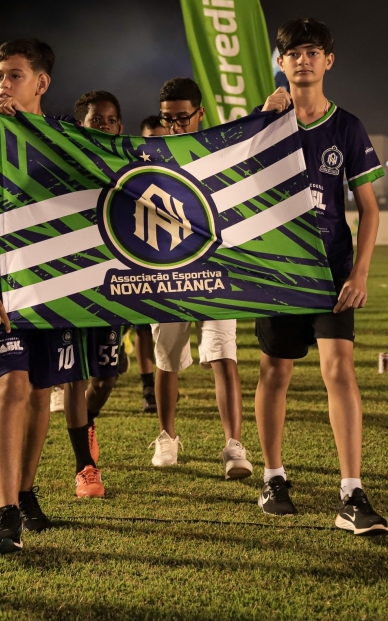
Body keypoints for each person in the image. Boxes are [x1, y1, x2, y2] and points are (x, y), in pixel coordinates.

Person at [0, 39, 86, 554]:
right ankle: (5, 512)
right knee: (13, 385)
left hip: (59, 286)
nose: (4, 84)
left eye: (15, 75)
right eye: (0, 75)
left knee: (43, 391)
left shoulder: (66, 138)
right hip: (9, 287)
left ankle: (26, 494)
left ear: (42, 83)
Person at [253, 18, 388, 535]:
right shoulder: (265, 123)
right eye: (294, 53)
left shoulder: (347, 127)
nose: (303, 60)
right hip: (277, 272)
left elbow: (369, 208)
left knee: (340, 370)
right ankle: (273, 478)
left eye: (313, 52)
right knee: (275, 373)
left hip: (330, 272)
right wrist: (262, 123)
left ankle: (352, 493)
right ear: (280, 62)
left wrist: (360, 273)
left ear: (328, 61)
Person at [147, 78, 253, 480]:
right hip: (168, 268)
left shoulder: (218, 153)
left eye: (182, 117)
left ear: (200, 113)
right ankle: (167, 436)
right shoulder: (151, 156)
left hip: (215, 268)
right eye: (167, 119)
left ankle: (234, 444)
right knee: (167, 357)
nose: (174, 126)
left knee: (224, 354)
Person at [57, 91, 127, 498]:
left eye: (111, 120)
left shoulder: (130, 165)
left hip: (113, 285)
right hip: (71, 281)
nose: (104, 125)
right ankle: (85, 467)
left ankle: (86, 422)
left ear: (120, 126)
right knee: (75, 375)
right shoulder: (66, 160)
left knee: (105, 378)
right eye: (96, 120)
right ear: (80, 125)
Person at [131, 115, 163, 413]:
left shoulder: (181, 165)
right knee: (142, 328)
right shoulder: (132, 169)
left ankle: (165, 381)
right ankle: (148, 386)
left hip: (172, 259)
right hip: (139, 259)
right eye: (151, 138)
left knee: (165, 328)